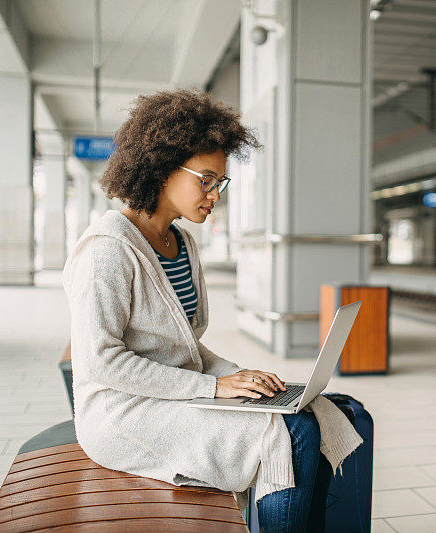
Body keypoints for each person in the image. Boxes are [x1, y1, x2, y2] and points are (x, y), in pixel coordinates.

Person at [62, 88, 362, 533]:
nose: (214, 193)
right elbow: (103, 363)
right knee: (289, 436)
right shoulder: (107, 250)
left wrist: (240, 377)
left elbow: (184, 345)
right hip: (121, 412)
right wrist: (214, 386)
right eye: (205, 179)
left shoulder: (181, 242)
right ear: (162, 167)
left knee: (309, 411)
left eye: (219, 182)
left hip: (172, 394)